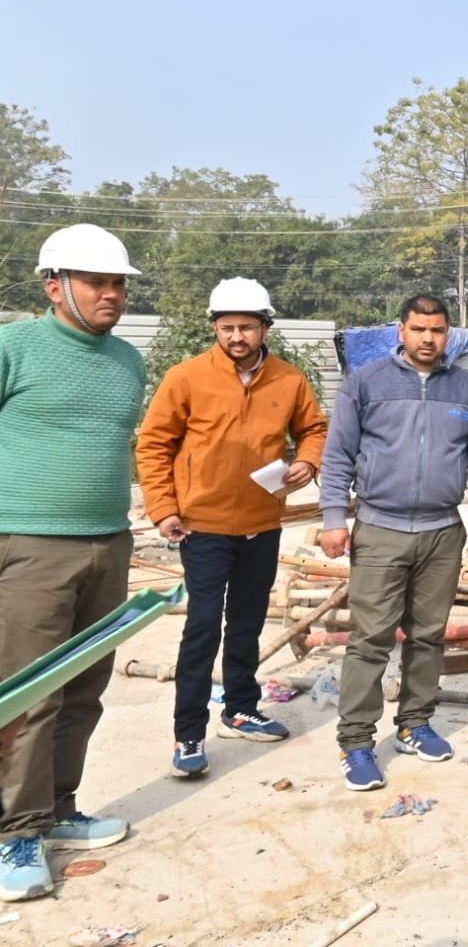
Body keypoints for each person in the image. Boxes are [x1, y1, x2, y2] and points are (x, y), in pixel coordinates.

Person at [0, 225, 145, 903]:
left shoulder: (127, 361)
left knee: (85, 687)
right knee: (30, 693)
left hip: (109, 543)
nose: (111, 294)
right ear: (54, 285)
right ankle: (16, 834)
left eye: (118, 283)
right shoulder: (14, 347)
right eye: (96, 282)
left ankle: (58, 808)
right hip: (29, 544)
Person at [136, 277, 329, 778]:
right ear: (215, 328)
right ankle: (188, 733)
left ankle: (241, 709)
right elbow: (153, 444)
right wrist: (164, 508)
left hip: (262, 522)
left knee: (247, 621)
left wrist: (307, 461)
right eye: (227, 327)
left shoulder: (289, 380)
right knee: (202, 626)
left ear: (266, 327)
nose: (237, 336)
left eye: (247, 326)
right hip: (202, 524)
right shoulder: (186, 377)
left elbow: (314, 428)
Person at [317, 294, 468, 791]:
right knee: (370, 639)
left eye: (437, 330)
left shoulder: (466, 388)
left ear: (448, 334)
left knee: (428, 636)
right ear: (401, 331)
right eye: (419, 329)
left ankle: (414, 724)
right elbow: (338, 455)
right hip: (380, 529)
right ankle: (356, 742)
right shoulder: (366, 383)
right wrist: (334, 518)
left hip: (442, 532)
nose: (428, 338)